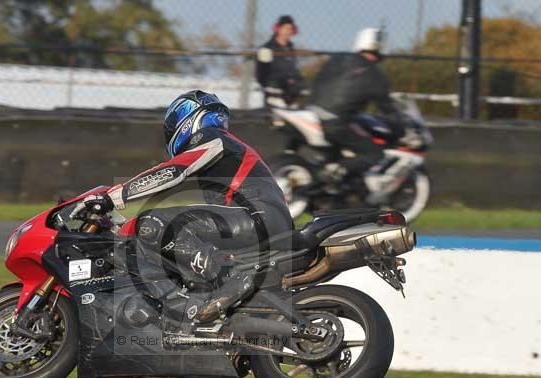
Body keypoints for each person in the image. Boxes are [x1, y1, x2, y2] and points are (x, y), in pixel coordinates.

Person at [72, 90, 293, 323]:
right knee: (153, 232)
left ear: (187, 117)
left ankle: (226, 280)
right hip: (261, 219)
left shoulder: (212, 137)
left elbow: (171, 172)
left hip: (258, 217)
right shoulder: (225, 148)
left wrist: (110, 198)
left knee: (153, 222)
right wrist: (121, 227)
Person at [309, 28, 404, 202]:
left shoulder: (338, 58)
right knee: (374, 154)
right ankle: (337, 169)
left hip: (311, 113)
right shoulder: (375, 76)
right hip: (336, 121)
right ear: (381, 48)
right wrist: (400, 123)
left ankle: (335, 186)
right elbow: (386, 105)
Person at [255, 15, 305, 108]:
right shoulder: (267, 48)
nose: (288, 31)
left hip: (292, 92)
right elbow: (261, 74)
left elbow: (294, 71)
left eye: (290, 29)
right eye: (285, 28)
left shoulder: (291, 49)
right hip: (275, 91)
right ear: (278, 29)